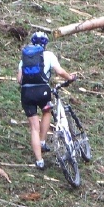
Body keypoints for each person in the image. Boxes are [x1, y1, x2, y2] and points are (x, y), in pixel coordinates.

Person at [17, 31, 76, 170]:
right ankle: (42, 141)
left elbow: (19, 79)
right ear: (45, 44)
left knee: (34, 128)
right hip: (43, 91)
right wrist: (70, 77)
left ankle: (39, 161)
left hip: (27, 93)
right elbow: (59, 71)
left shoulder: (25, 58)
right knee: (47, 112)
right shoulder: (48, 55)